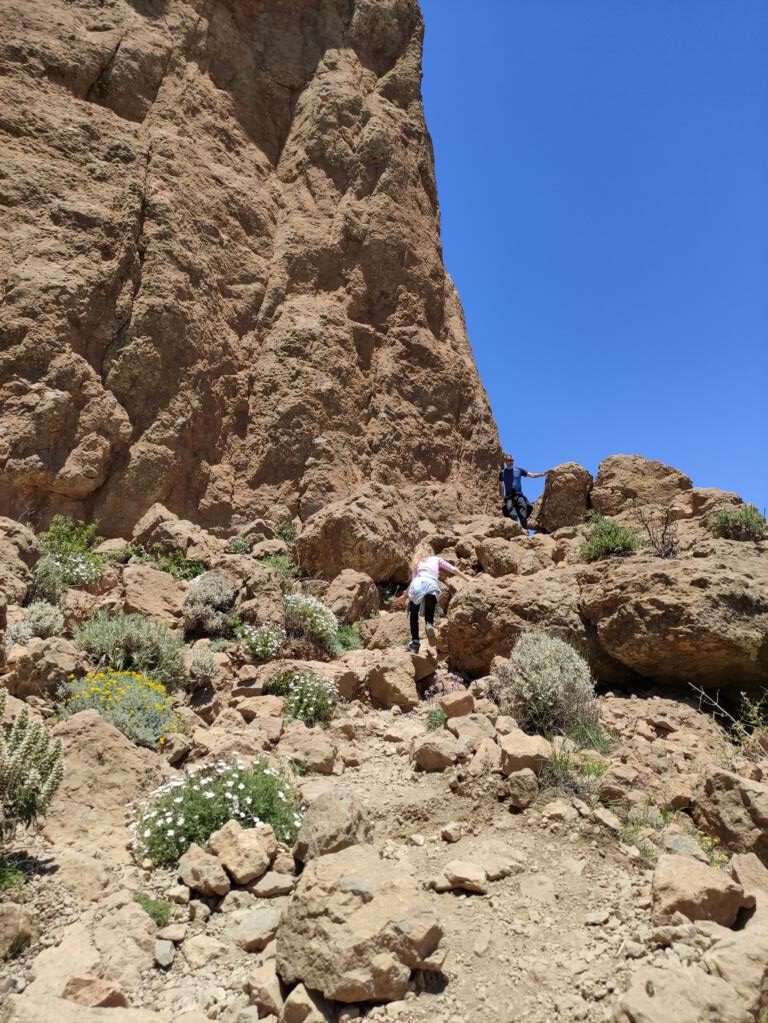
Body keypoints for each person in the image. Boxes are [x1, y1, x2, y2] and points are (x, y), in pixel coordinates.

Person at [396, 544, 472, 653]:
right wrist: (468, 579)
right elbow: (453, 569)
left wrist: (404, 596)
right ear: (430, 551)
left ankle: (415, 643)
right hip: (432, 584)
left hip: (418, 583)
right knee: (429, 608)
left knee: (413, 613)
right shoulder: (436, 559)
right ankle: (429, 624)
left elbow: (413, 581)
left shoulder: (417, 563)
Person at [498, 454, 552, 529]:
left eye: (512, 460)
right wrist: (502, 496)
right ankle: (516, 531)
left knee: (523, 513)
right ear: (505, 462)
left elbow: (532, 475)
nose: (511, 462)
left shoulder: (519, 470)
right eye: (509, 461)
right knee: (512, 515)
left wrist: (543, 473)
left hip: (519, 495)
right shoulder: (502, 473)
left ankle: (525, 531)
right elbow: (501, 485)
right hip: (509, 497)